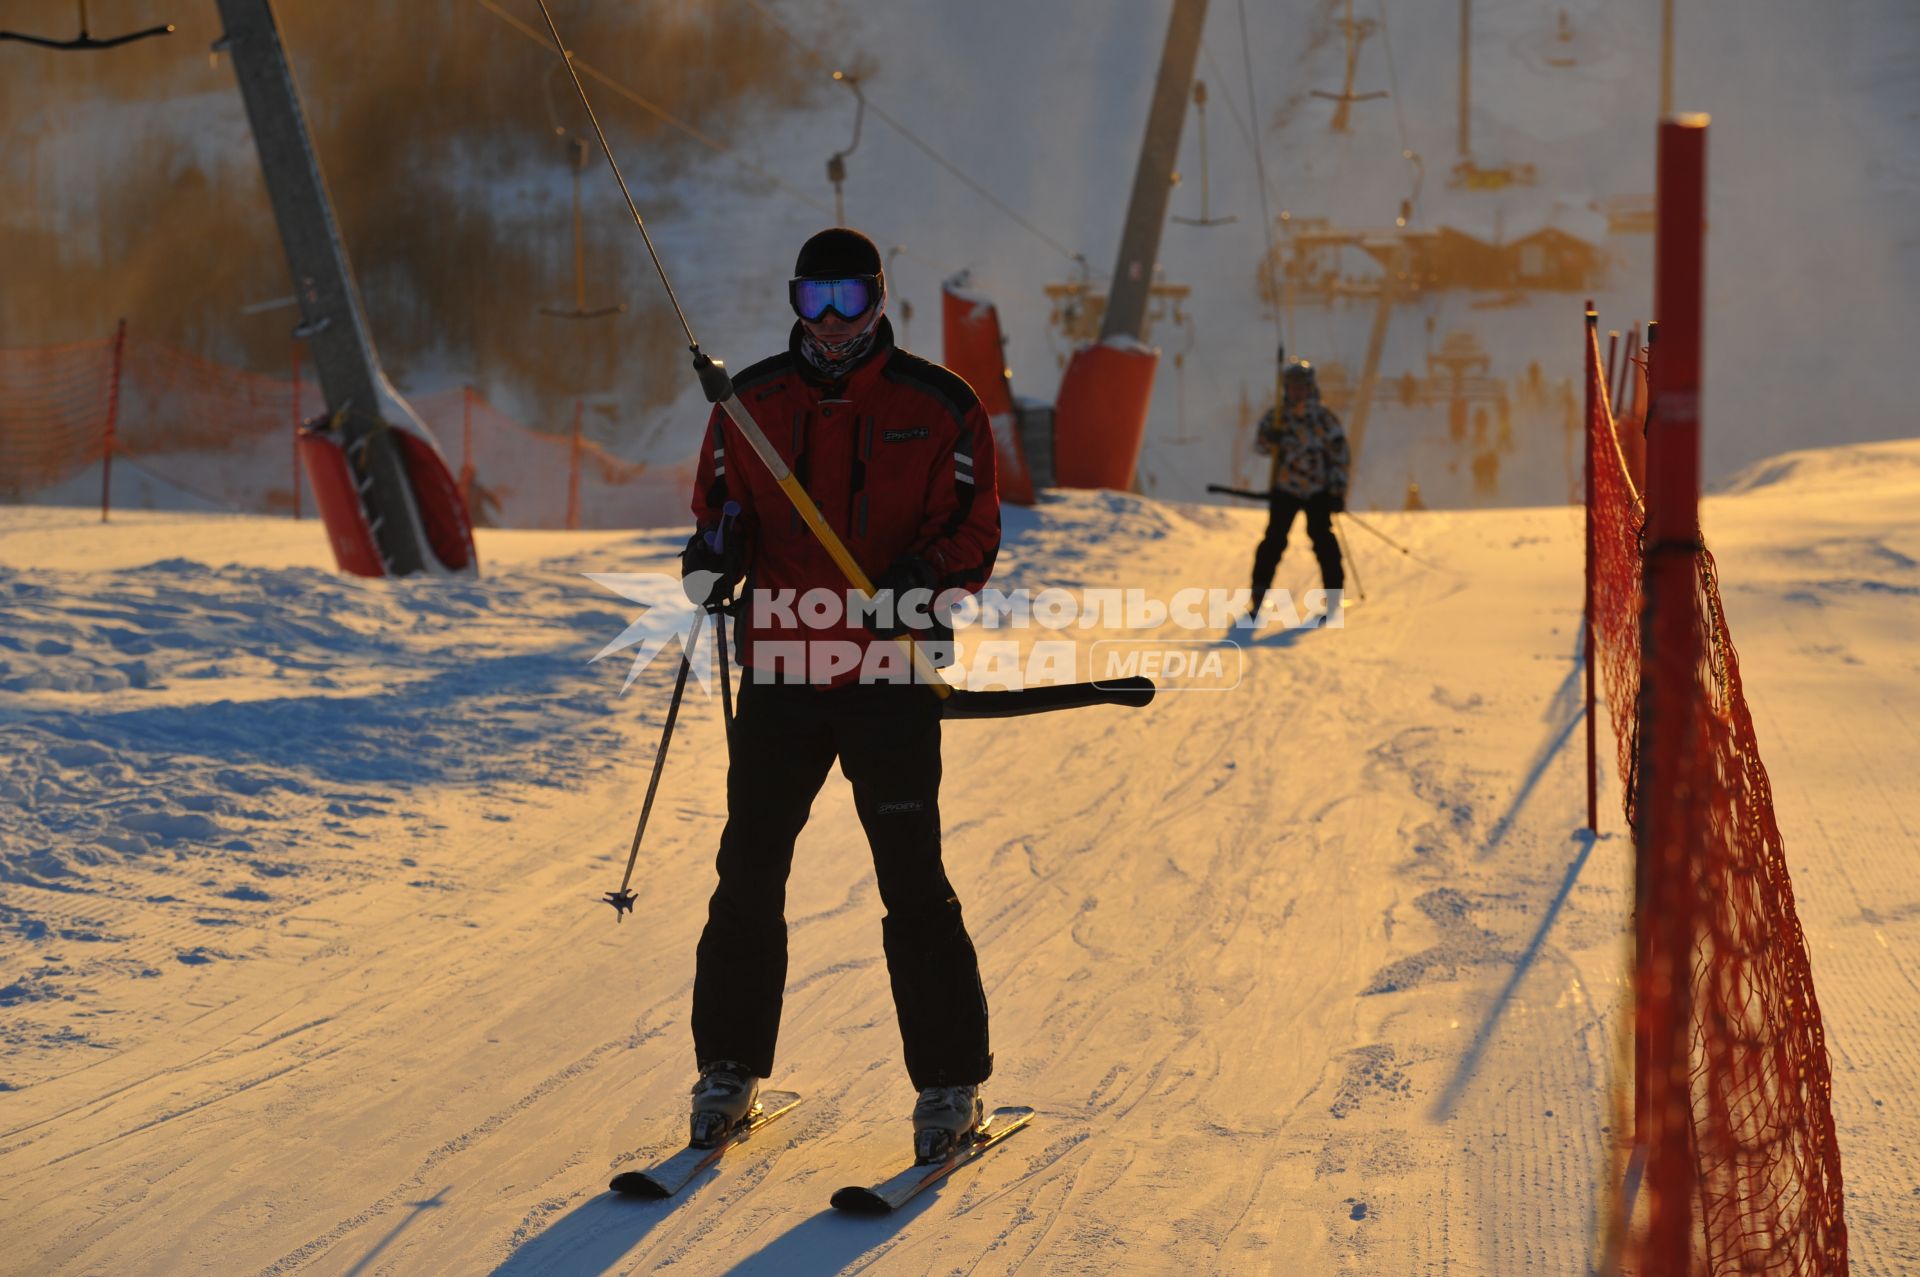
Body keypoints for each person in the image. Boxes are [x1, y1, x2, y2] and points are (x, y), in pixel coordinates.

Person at [677, 227, 1001, 1163]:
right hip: (779, 670)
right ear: (792, 300)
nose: (827, 323)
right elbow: (720, 510)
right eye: (811, 301)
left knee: (910, 881)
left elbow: (974, 535)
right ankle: (727, 1067)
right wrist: (714, 558)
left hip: (888, 671)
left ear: (878, 299)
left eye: (847, 301)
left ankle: (950, 1083)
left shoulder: (939, 406)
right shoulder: (750, 404)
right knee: (748, 873)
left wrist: (920, 577)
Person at [1248, 355, 1349, 617]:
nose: (1297, 391)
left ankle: (1334, 593)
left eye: (1301, 386)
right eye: (1292, 386)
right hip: (1286, 488)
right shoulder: (1278, 417)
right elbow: (1260, 446)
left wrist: (1337, 491)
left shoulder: (1324, 418)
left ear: (1310, 387)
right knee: (1274, 540)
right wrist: (1270, 438)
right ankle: (1259, 591)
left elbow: (1339, 456)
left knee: (1323, 540)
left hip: (1317, 489)